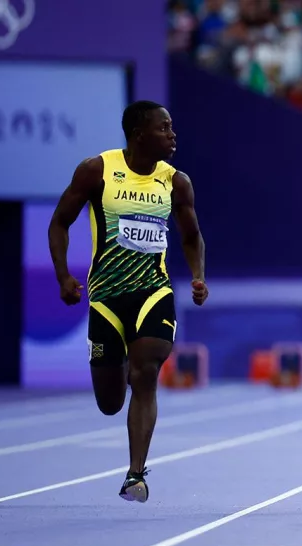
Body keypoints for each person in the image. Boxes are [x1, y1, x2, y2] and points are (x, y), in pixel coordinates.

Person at [47, 100, 208, 501]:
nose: (173, 135)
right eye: (164, 128)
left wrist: (198, 275)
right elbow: (60, 223)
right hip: (105, 298)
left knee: (146, 372)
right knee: (110, 402)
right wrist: (63, 275)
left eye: (172, 128)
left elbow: (190, 236)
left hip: (154, 292)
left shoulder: (176, 182)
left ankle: (135, 474)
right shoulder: (97, 170)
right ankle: (114, 362)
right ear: (139, 134)